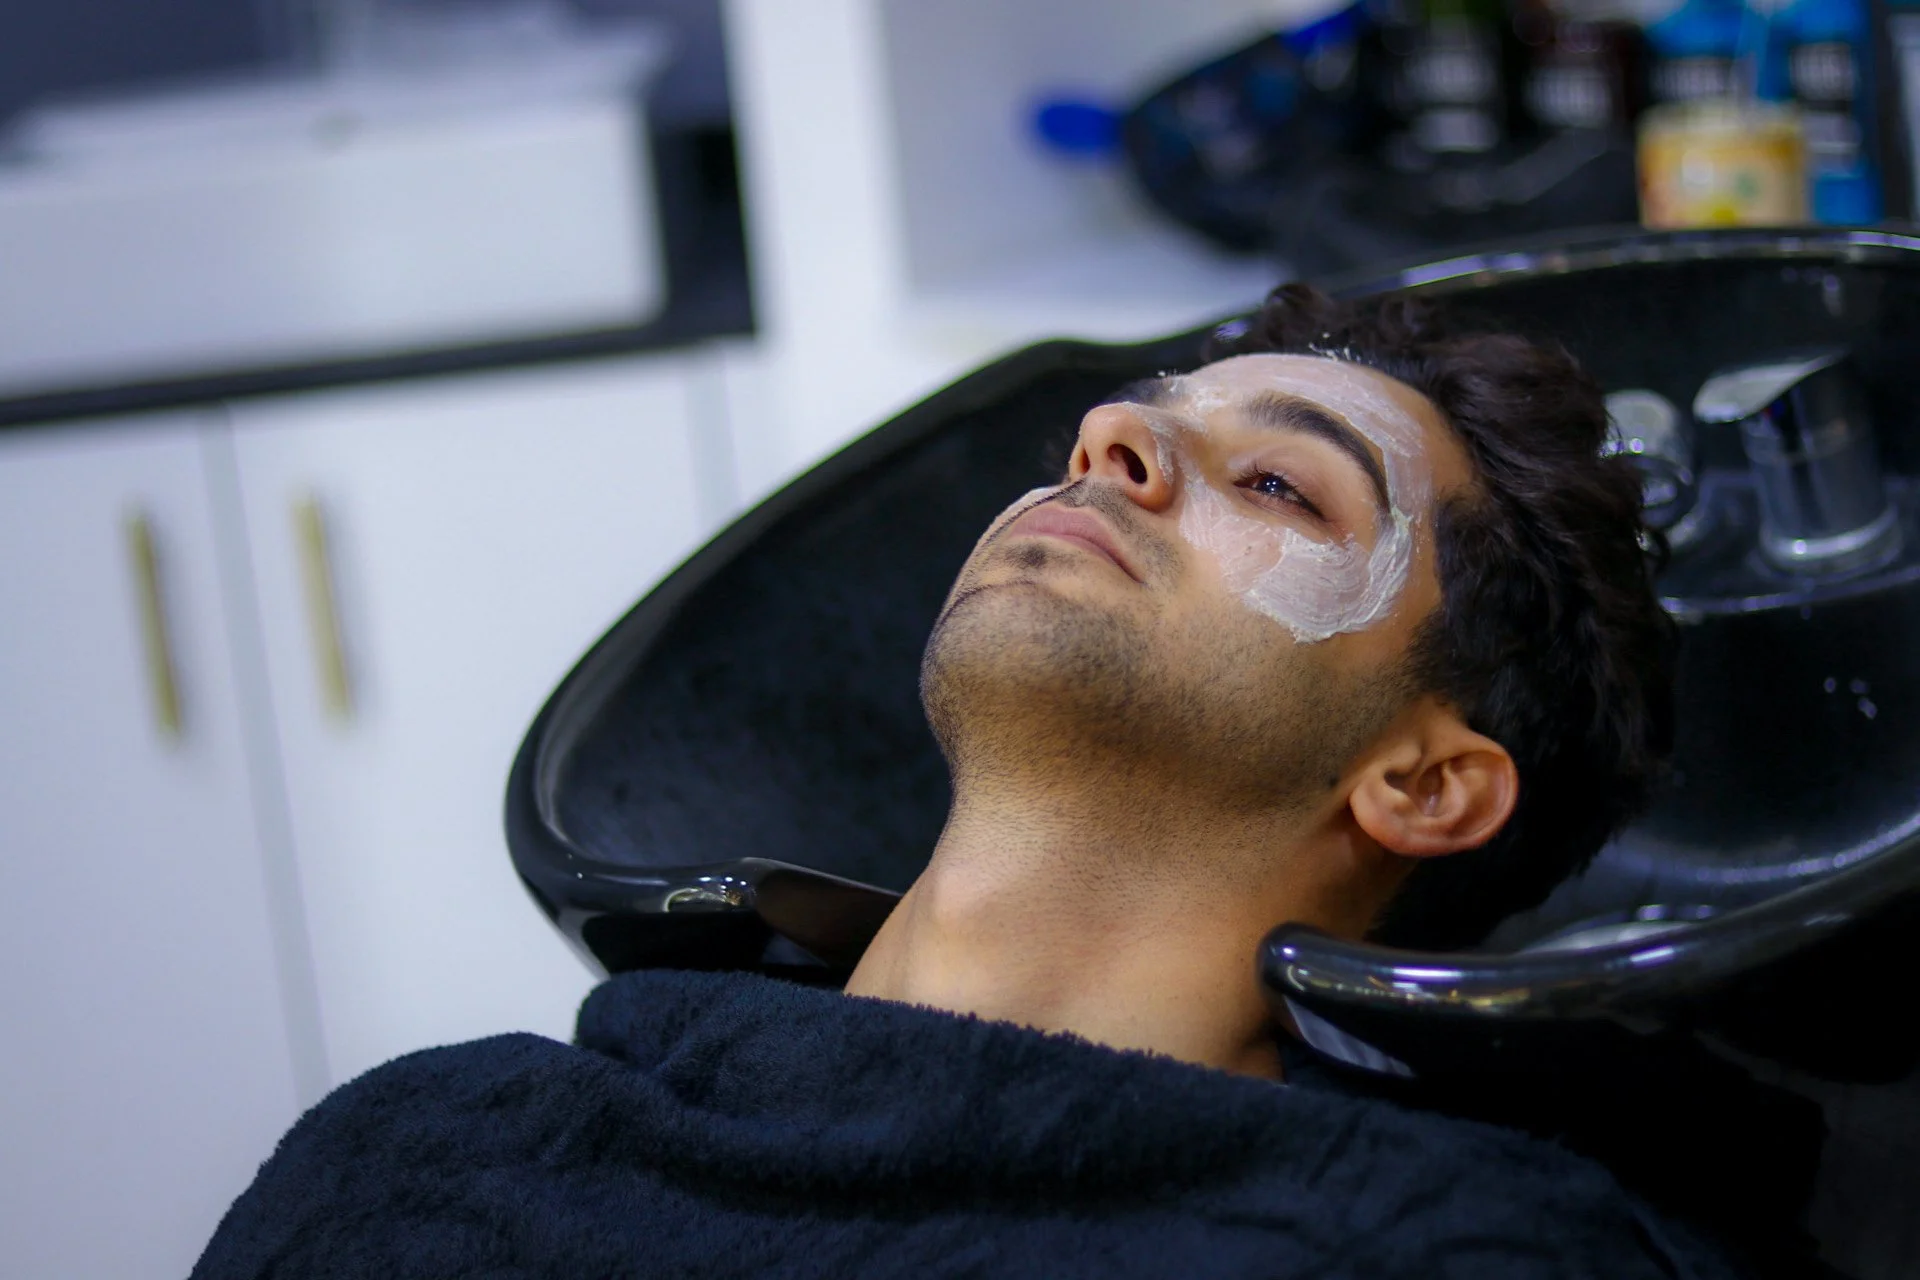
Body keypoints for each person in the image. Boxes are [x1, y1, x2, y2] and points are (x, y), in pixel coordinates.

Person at [195, 285, 1783, 1280]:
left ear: (1424, 787)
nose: (1105, 442)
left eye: (1283, 485)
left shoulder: (1444, 1252)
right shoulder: (428, 1159)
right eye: (1131, 426)